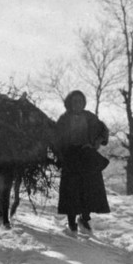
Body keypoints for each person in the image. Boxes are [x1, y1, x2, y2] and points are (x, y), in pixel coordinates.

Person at [54, 90, 110, 234]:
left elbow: (103, 131)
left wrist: (94, 144)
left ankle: (84, 219)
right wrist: (61, 154)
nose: (78, 104)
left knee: (89, 189)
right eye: (75, 101)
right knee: (71, 191)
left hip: (87, 157)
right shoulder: (64, 119)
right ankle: (71, 222)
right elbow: (56, 138)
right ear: (69, 103)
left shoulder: (90, 117)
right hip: (71, 158)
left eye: (80, 101)